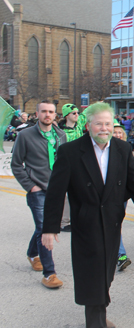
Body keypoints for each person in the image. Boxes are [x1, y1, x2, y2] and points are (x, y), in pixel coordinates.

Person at [41, 102, 134, 328]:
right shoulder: (70, 152)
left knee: (106, 273)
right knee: (92, 274)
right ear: (88, 125)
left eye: (108, 124)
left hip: (113, 221)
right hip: (86, 223)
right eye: (99, 124)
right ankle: (96, 322)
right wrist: (49, 228)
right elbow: (55, 193)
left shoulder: (122, 149)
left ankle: (100, 312)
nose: (104, 129)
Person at [11, 100, 66, 289]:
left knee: (43, 227)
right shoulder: (25, 136)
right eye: (44, 111)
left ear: (55, 114)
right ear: (37, 113)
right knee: (45, 228)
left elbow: (64, 163)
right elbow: (16, 164)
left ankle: (32, 254)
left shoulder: (61, 135)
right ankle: (49, 274)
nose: (47, 115)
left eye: (51, 111)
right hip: (38, 190)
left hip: (56, 190)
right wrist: (30, 186)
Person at [57, 104, 89, 232]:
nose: (77, 115)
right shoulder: (59, 132)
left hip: (80, 163)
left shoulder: (80, 125)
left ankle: (78, 219)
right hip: (65, 164)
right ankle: (64, 222)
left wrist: (100, 102)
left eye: (77, 113)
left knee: (80, 191)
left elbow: (88, 112)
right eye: (73, 113)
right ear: (66, 116)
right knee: (64, 194)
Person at [112, 120, 133, 271]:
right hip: (107, 195)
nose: (118, 134)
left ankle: (115, 253)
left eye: (120, 132)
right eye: (115, 132)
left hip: (121, 194)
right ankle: (120, 255)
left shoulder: (126, 149)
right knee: (114, 224)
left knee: (115, 223)